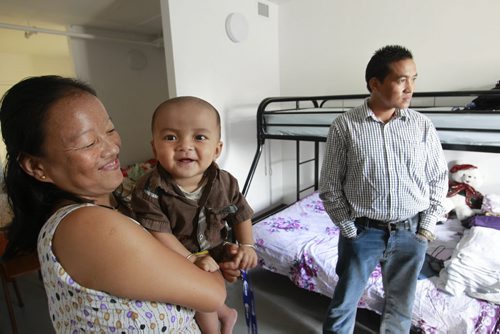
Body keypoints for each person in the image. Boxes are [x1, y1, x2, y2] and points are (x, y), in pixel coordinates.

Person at [0, 75, 233, 333]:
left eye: (110, 129)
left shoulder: (119, 205)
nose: (112, 148)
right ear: (37, 166)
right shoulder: (88, 226)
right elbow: (212, 295)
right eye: (88, 142)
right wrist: (211, 260)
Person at [319, 45, 448, 333]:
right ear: (374, 84)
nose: (410, 88)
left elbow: (438, 179)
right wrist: (349, 230)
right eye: (402, 80)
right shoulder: (345, 126)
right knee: (343, 304)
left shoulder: (422, 126)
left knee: (400, 306)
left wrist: (425, 229)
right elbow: (329, 186)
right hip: (363, 232)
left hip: (411, 232)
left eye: (414, 79)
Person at [131, 96, 258, 334]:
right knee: (200, 300)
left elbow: (240, 213)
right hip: (177, 254)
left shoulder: (225, 182)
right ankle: (217, 324)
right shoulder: (149, 189)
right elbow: (158, 232)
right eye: (171, 137)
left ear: (217, 149)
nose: (184, 146)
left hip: (215, 248)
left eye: (199, 137)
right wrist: (192, 260)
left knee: (218, 281)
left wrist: (247, 245)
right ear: (154, 147)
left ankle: (225, 313)